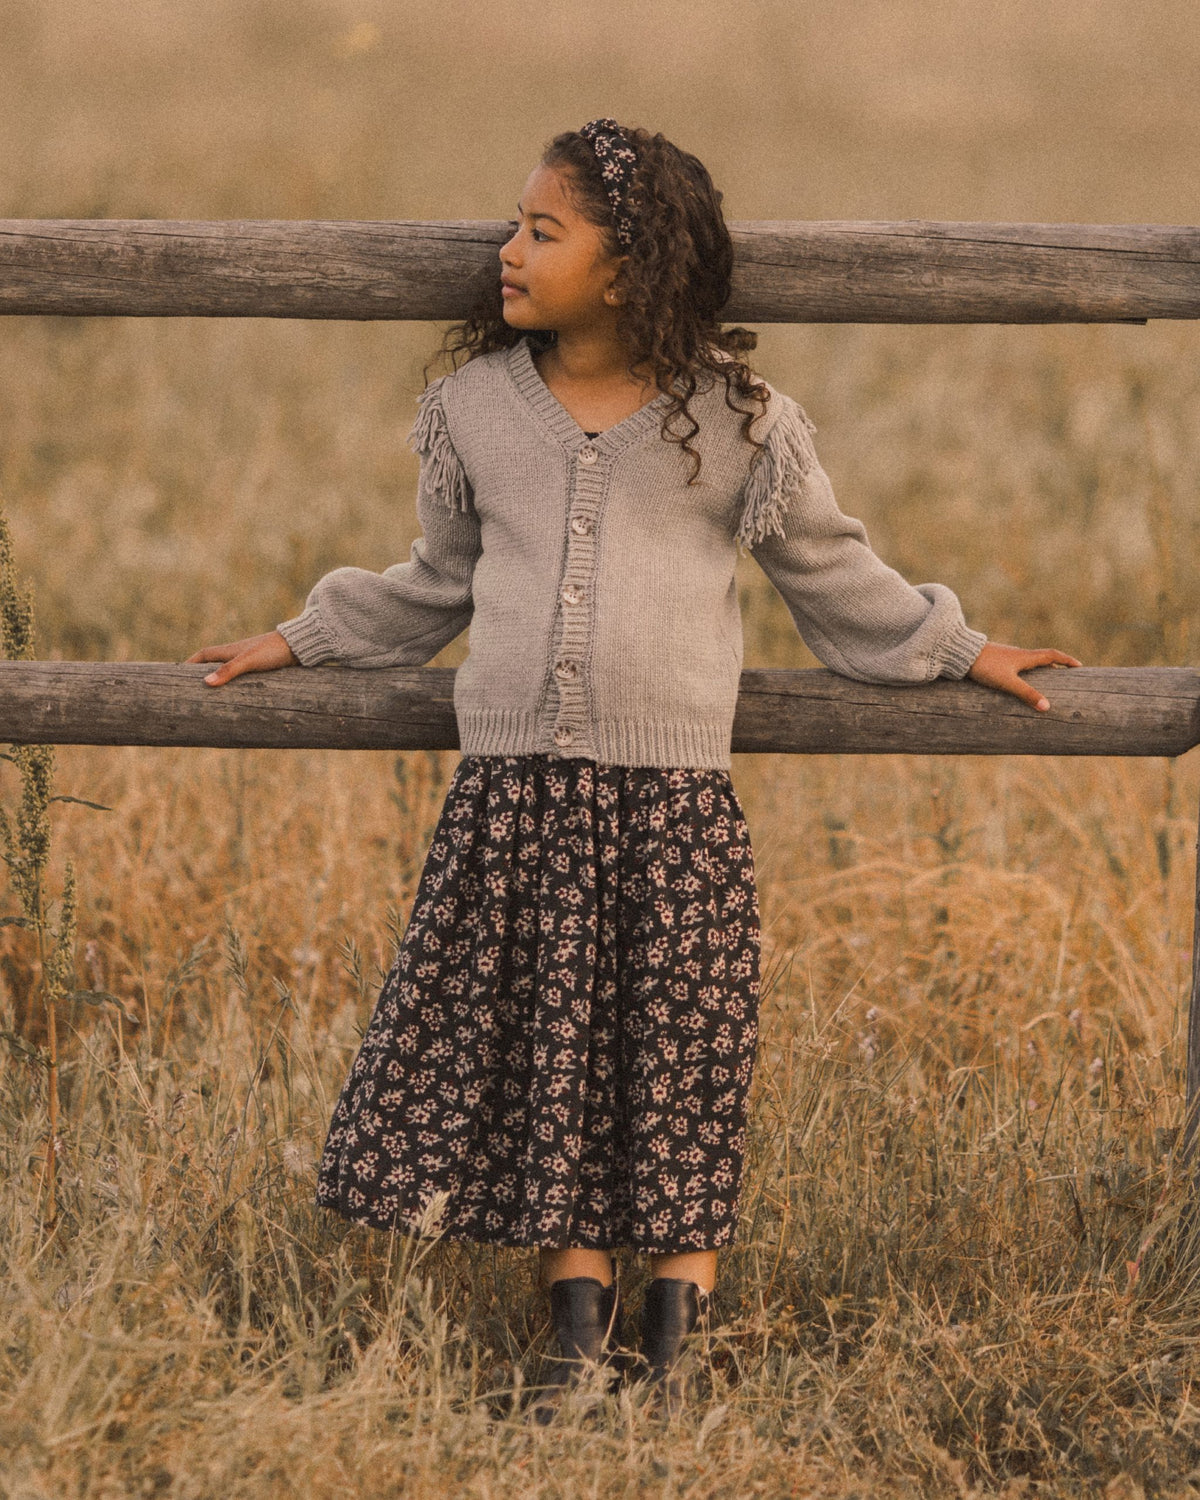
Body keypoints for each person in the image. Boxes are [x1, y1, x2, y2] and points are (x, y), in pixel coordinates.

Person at [187, 118, 1080, 1421]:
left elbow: (832, 575)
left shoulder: (735, 422)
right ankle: (571, 1328)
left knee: (673, 1057)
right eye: (513, 226)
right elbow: (433, 584)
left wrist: (959, 645)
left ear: (629, 266)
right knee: (553, 1056)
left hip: (670, 806)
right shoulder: (474, 411)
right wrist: (301, 636)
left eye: (542, 231)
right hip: (517, 800)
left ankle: (673, 1338)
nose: (507, 249)